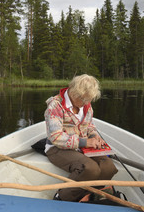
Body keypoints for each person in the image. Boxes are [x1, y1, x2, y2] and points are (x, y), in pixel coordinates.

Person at [44, 74, 118, 202]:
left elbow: (89, 126)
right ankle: (62, 197)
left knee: (109, 167)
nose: (87, 103)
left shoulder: (86, 105)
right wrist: (85, 142)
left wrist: (94, 136)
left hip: (83, 146)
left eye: (89, 100)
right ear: (75, 93)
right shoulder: (55, 105)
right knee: (90, 168)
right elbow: (56, 137)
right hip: (57, 148)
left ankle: (91, 194)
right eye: (84, 99)